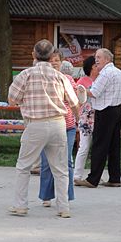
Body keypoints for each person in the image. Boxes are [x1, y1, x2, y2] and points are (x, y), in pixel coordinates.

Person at [8, 39, 79, 218]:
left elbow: (11, 99)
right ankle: (63, 208)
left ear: (34, 55)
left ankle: (20, 205)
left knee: (24, 166)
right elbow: (74, 102)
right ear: (52, 56)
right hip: (58, 123)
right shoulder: (60, 76)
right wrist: (76, 120)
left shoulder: (25, 75)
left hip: (35, 124)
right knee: (61, 168)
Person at [37, 50, 82, 207]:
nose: (54, 63)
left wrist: (78, 118)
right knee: (47, 162)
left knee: (67, 161)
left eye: (57, 60)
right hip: (46, 124)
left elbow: (77, 99)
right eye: (51, 60)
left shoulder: (68, 79)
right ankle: (46, 196)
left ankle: (66, 196)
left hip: (67, 125)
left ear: (61, 62)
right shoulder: (41, 79)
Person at [75, 47, 121, 188]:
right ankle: (115, 178)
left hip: (105, 111)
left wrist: (83, 90)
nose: (96, 60)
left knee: (99, 145)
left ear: (107, 59)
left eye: (99, 57)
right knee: (114, 145)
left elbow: (95, 92)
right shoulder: (119, 72)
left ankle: (92, 179)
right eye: (96, 57)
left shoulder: (105, 74)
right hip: (117, 110)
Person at [73, 56, 97, 181]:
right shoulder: (82, 81)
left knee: (97, 147)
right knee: (84, 146)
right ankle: (77, 175)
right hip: (86, 118)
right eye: (96, 64)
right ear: (92, 66)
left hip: (98, 117)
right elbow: (77, 99)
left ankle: (95, 175)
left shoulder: (100, 80)